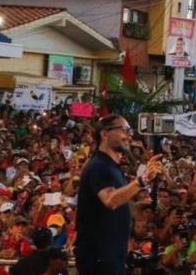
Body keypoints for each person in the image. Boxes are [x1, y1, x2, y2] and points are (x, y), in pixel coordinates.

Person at [74, 114, 163, 275]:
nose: (130, 135)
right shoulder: (99, 166)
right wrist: (142, 181)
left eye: (130, 130)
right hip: (100, 258)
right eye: (125, 130)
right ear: (105, 134)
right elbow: (110, 200)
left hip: (112, 256)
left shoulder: (112, 167)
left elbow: (114, 209)